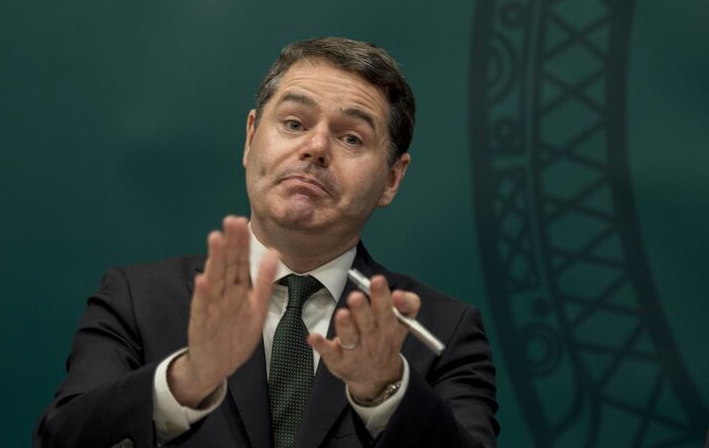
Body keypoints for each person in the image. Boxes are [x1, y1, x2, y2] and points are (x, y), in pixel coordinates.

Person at [34, 37, 498, 448]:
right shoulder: (135, 300)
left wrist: (386, 391)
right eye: (294, 123)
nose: (316, 147)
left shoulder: (442, 333)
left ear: (392, 179)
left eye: (351, 137)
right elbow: (60, 439)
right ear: (251, 137)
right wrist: (187, 380)